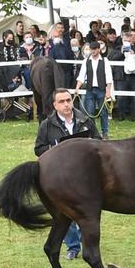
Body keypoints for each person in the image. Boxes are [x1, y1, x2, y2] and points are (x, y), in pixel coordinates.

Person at [37, 88, 90, 259]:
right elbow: (38, 148)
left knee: (87, 210)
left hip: (84, 174)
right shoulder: (47, 125)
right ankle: (73, 247)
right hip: (62, 177)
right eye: (62, 101)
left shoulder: (84, 120)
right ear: (54, 105)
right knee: (66, 212)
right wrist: (56, 150)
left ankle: (88, 243)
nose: (66, 104)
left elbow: (99, 142)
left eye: (68, 100)